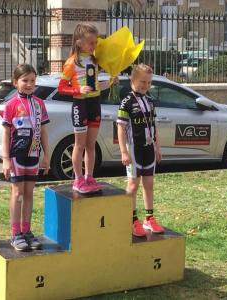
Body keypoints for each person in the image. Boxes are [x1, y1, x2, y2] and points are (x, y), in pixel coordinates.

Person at [58, 22, 117, 194]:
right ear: (79, 43)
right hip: (80, 105)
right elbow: (61, 87)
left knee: (91, 145)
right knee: (79, 145)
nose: (94, 46)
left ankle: (89, 177)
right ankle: (77, 179)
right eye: (91, 43)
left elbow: (96, 86)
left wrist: (110, 83)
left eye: (96, 42)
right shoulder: (71, 63)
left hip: (94, 104)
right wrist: (77, 89)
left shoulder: (94, 60)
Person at [2, 64, 50, 251]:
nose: (29, 84)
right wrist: (5, 158)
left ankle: (27, 230)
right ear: (16, 82)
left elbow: (44, 131)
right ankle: (16, 233)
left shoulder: (39, 103)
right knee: (17, 193)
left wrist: (46, 156)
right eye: (25, 80)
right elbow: (6, 133)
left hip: (34, 155)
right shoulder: (11, 105)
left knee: (29, 193)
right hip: (16, 155)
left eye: (32, 80)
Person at [116, 64, 164, 237]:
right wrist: (123, 151)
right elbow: (120, 128)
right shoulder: (127, 101)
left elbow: (154, 125)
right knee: (133, 184)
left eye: (149, 82)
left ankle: (149, 218)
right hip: (133, 148)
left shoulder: (150, 101)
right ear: (133, 80)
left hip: (149, 148)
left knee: (149, 183)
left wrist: (158, 147)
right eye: (142, 81)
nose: (146, 85)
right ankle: (131, 219)